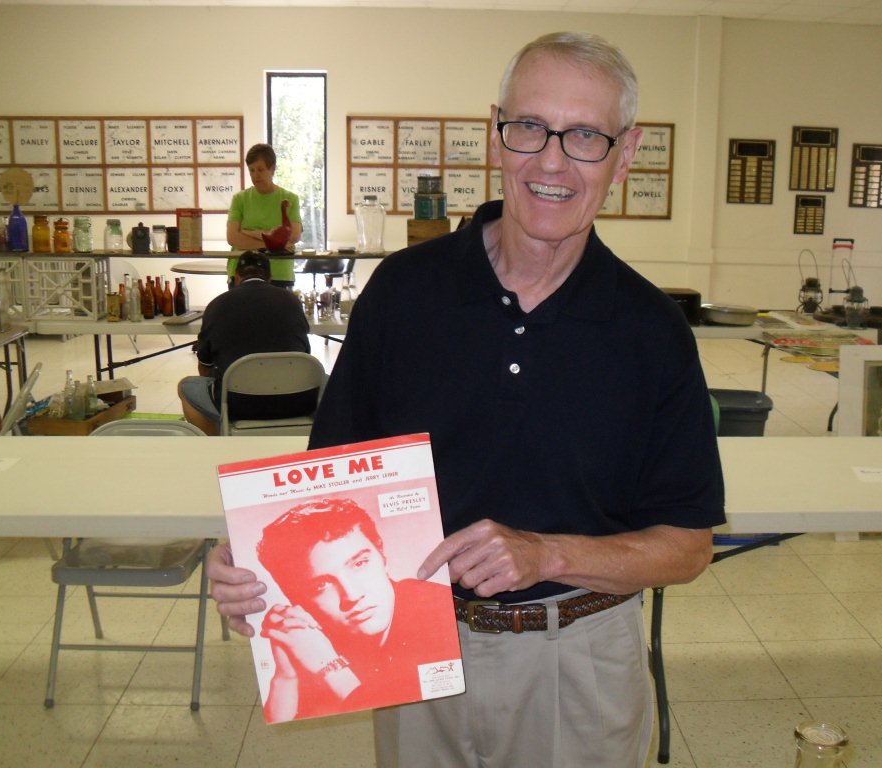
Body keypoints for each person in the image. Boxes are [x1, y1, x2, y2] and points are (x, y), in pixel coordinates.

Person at [209, 32, 725, 767]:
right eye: (529, 128)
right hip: (416, 656)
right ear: (496, 133)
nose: (551, 161)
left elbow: (688, 548)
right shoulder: (403, 293)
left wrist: (544, 553)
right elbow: (326, 489)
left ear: (626, 152)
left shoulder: (652, 331)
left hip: (579, 665)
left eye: (584, 135)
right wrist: (252, 579)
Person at [254, 498, 460, 723]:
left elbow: (420, 719)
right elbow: (284, 726)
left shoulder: (438, 610)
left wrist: (330, 669)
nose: (352, 595)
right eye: (321, 585)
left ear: (382, 556)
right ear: (295, 598)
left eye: (360, 564)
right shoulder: (314, 637)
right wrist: (286, 676)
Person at [177, 250, 311, 435]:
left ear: (236, 277)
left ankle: (217, 441)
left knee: (185, 386)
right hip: (297, 399)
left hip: (238, 403)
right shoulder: (292, 301)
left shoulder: (217, 304)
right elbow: (304, 354)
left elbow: (205, 365)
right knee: (330, 381)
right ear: (270, 277)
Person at [226, 143, 303, 288]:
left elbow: (294, 236)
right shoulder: (239, 199)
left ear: (272, 169)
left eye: (260, 169)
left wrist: (250, 233)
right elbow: (233, 238)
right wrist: (272, 244)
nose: (256, 175)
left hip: (279, 273)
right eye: (252, 170)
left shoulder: (290, 198)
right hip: (242, 273)